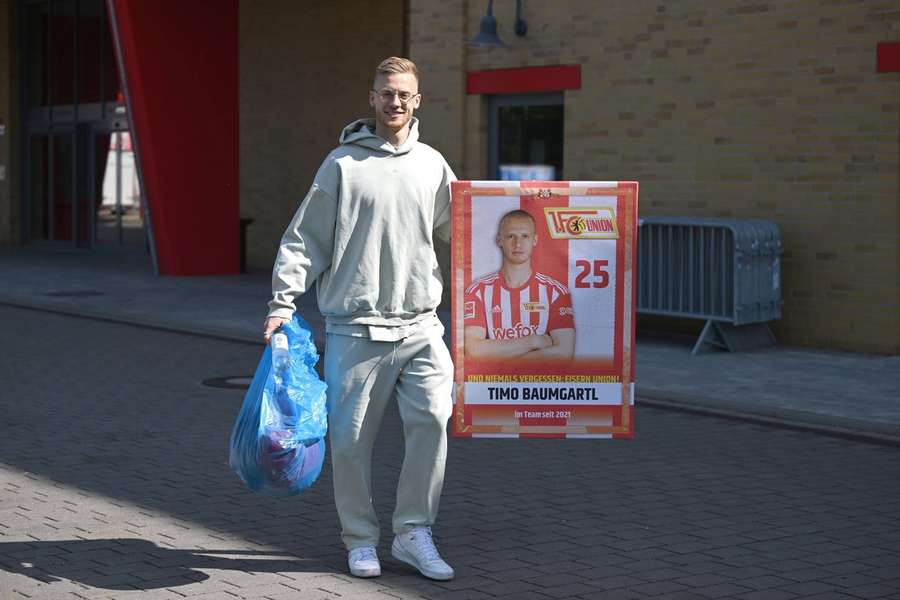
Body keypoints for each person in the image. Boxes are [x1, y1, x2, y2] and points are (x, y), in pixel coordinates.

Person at [263, 57, 455, 581]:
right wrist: (283, 303)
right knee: (349, 442)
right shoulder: (341, 165)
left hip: (421, 325)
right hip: (355, 328)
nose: (395, 102)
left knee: (434, 423)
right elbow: (304, 240)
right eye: (386, 93)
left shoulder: (434, 166)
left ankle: (414, 532)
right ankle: (361, 539)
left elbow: (463, 235)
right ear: (372, 99)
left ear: (418, 101)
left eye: (405, 95)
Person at [464, 209, 575, 359]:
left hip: (539, 382)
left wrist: (503, 360)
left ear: (534, 240)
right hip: (492, 383)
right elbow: (473, 350)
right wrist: (533, 341)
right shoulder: (477, 290)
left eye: (525, 236)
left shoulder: (556, 291)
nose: (518, 243)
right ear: (499, 240)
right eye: (510, 236)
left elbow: (564, 353)